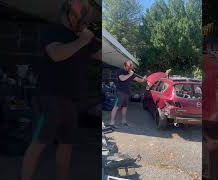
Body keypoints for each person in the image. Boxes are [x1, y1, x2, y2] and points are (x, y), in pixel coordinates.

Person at [21, 0, 101, 180]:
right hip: (50, 98)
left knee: (66, 146)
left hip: (72, 101)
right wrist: (82, 41)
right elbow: (56, 54)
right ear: (68, 11)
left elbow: (104, 54)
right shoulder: (52, 31)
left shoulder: (86, 38)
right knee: (38, 144)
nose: (86, 12)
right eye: (81, 8)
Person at [109, 60, 146, 128]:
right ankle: (112, 123)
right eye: (129, 66)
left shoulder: (130, 72)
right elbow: (122, 78)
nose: (130, 68)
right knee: (116, 107)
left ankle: (124, 121)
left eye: (131, 66)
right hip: (120, 92)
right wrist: (130, 74)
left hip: (127, 93)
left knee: (125, 107)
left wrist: (144, 79)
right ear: (124, 66)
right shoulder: (121, 71)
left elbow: (139, 80)